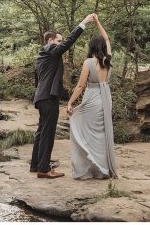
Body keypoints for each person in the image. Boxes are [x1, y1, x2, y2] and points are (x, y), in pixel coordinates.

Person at [32, 13, 96, 178]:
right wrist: (83, 23)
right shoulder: (51, 50)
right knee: (48, 133)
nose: (60, 44)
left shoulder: (40, 57)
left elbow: (38, 80)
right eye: (58, 41)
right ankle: (44, 170)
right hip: (48, 98)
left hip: (41, 97)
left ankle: (36, 165)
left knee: (41, 132)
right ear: (50, 41)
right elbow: (68, 43)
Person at [66, 14, 118, 179]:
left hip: (93, 97)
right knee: (102, 133)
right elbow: (107, 39)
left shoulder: (88, 63)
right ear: (102, 47)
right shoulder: (107, 60)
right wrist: (98, 23)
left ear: (91, 47)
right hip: (106, 98)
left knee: (83, 129)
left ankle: (89, 169)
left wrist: (70, 102)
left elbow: (81, 86)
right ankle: (102, 171)